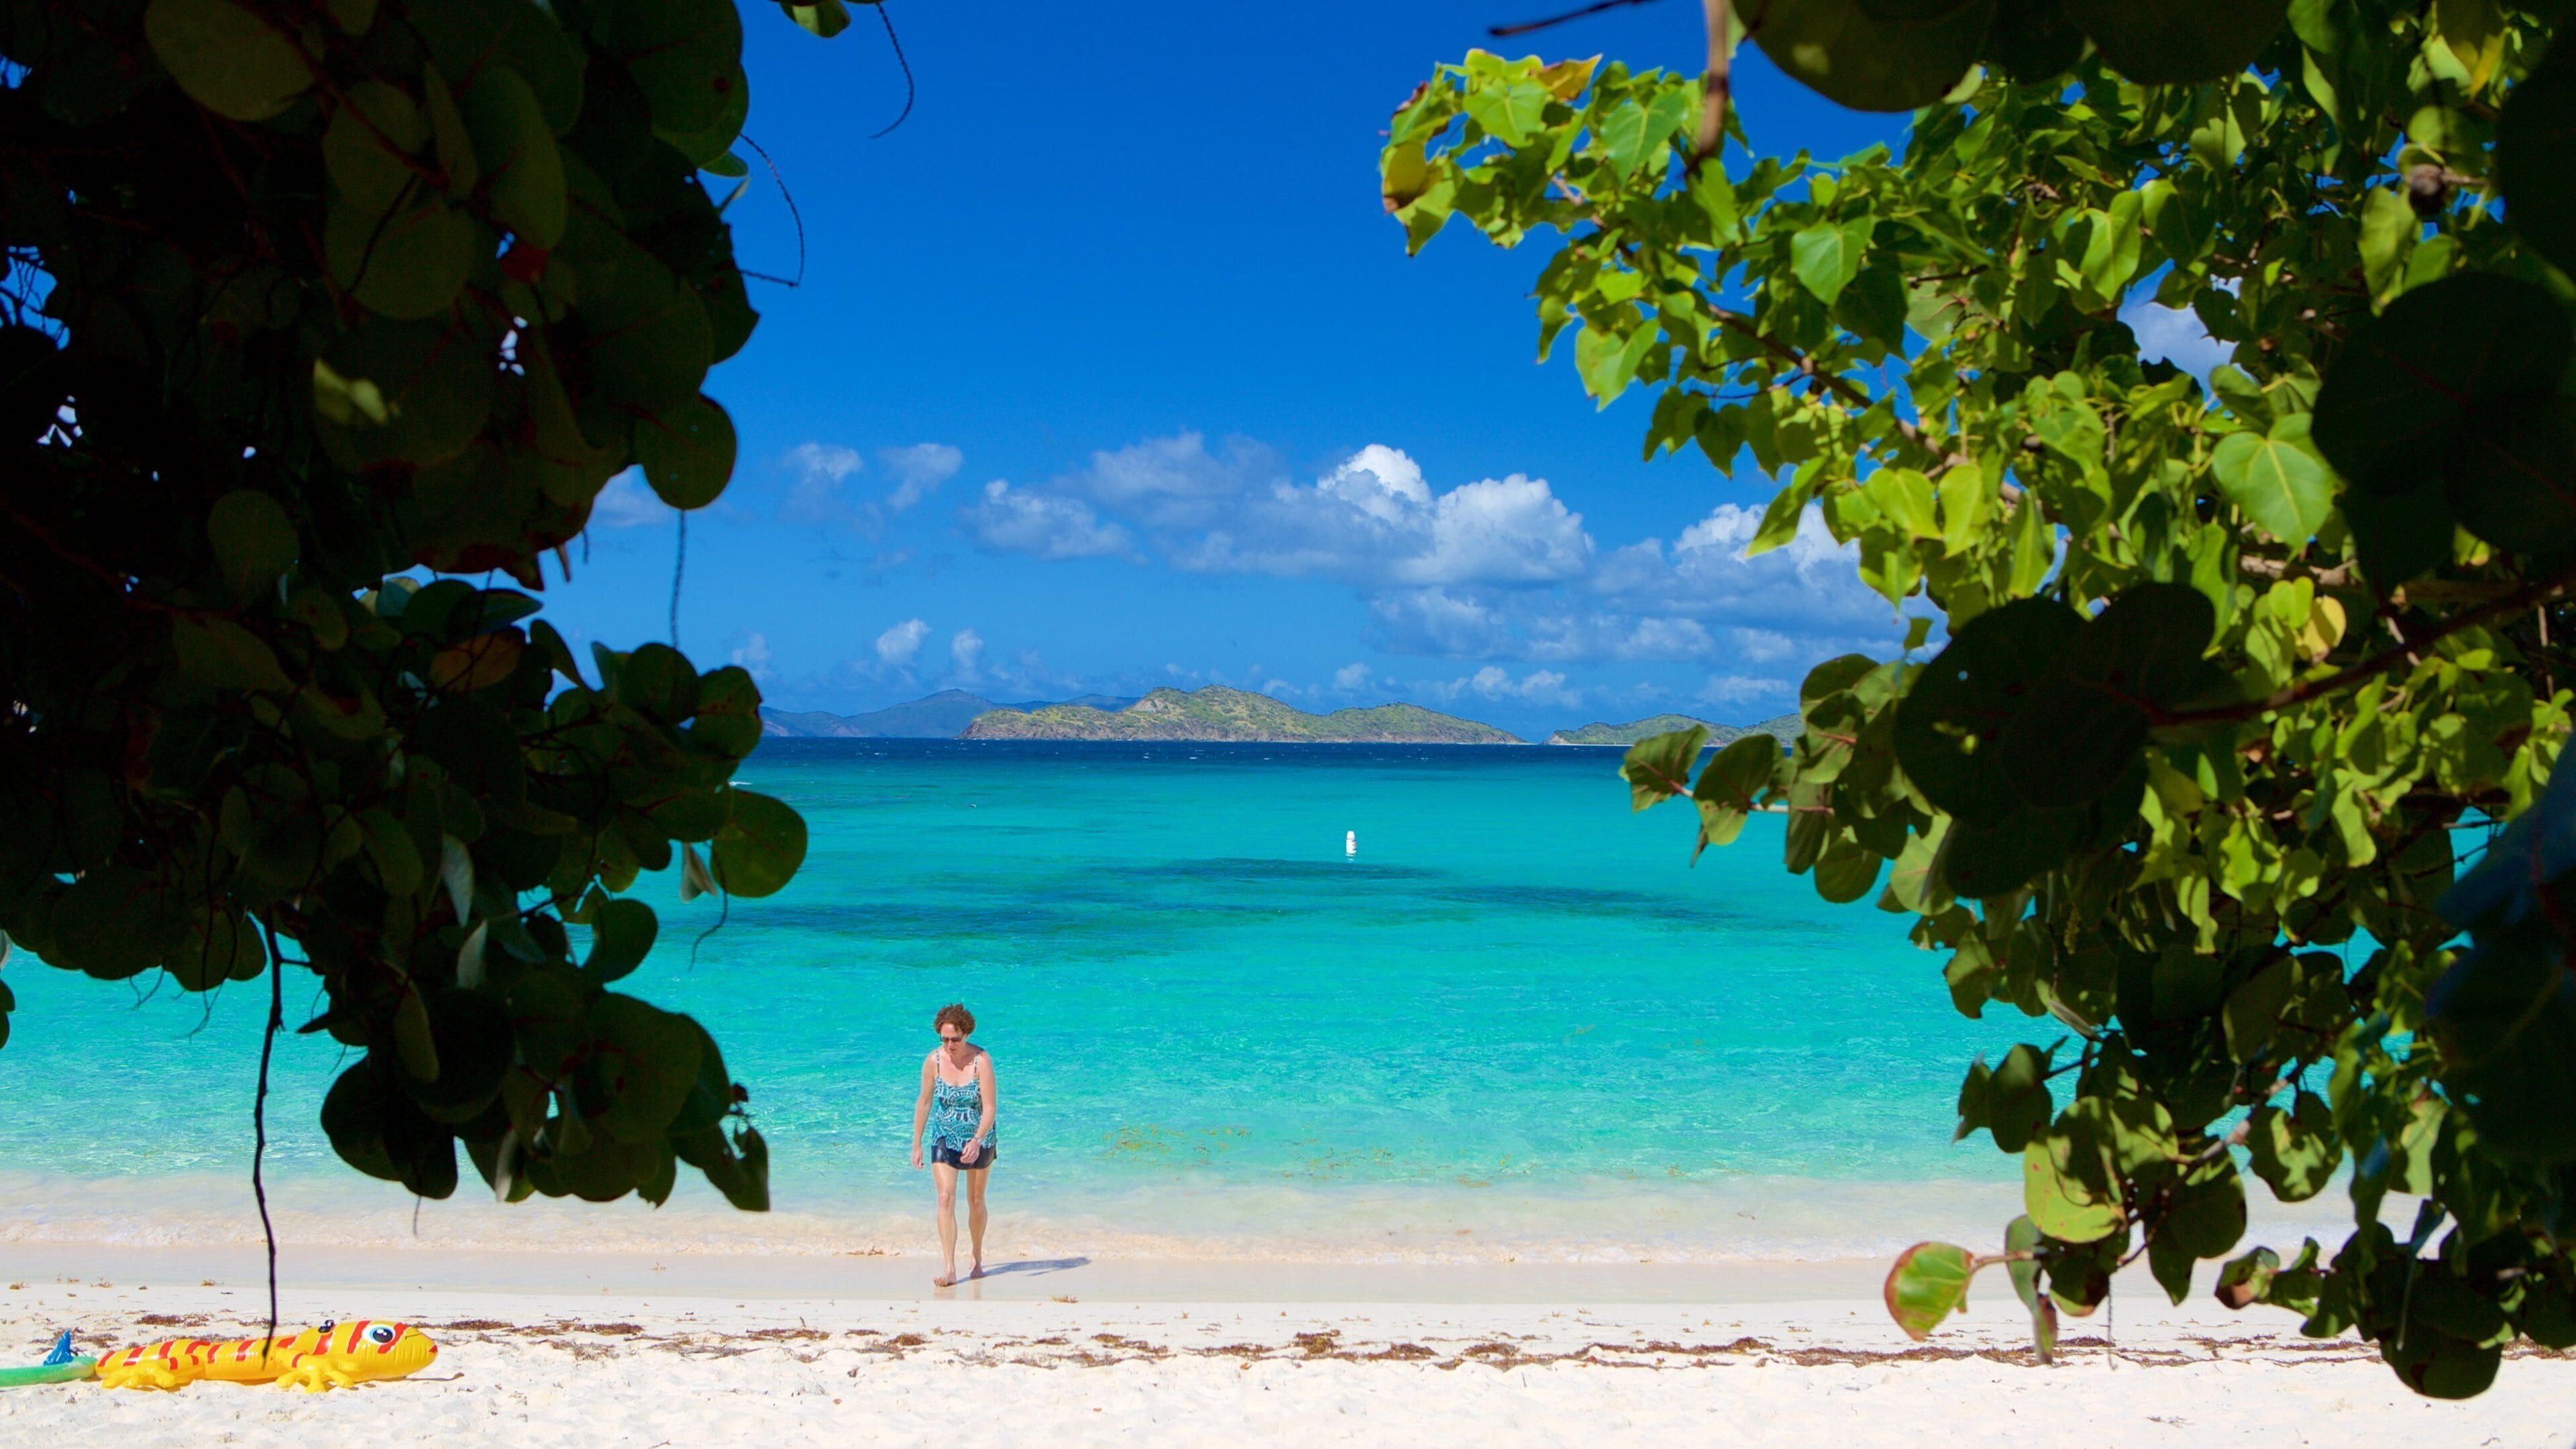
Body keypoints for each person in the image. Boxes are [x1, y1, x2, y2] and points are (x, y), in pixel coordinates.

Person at [910, 1002, 998, 1287]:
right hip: (944, 1135)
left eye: (955, 1039)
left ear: (967, 1034)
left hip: (978, 1138)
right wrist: (917, 1143)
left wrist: (977, 1139)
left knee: (975, 1201)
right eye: (944, 1039)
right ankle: (949, 1268)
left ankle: (977, 1255)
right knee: (945, 1198)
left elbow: (990, 1107)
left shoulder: (981, 1061)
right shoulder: (933, 1061)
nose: (950, 1045)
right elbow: (924, 1103)